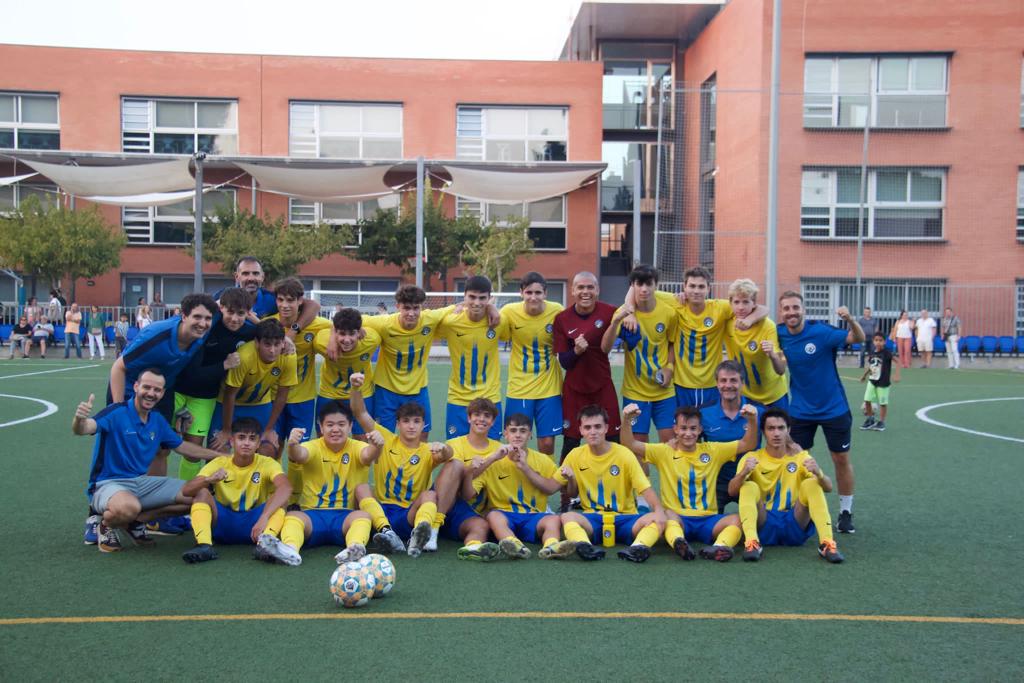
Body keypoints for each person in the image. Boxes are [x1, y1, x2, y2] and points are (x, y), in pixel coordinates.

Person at [73, 368, 223, 553]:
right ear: (136, 387)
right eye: (147, 387)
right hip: (108, 484)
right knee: (129, 507)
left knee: (199, 493)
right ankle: (104, 524)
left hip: (140, 483)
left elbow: (183, 447)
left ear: (163, 393)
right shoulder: (116, 412)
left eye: (157, 390)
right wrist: (80, 419)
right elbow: (84, 428)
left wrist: (222, 456)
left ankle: (137, 522)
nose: (151, 393)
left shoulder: (157, 420)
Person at [621, 402, 759, 561]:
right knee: (667, 515)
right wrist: (626, 420)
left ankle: (719, 547)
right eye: (683, 428)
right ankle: (678, 542)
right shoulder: (663, 451)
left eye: (693, 429)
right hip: (678, 519)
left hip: (708, 519)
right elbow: (629, 444)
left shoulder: (713, 450)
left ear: (700, 430)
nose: (688, 433)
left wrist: (752, 420)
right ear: (675, 430)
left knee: (736, 520)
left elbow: (747, 444)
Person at [348, 375, 467, 558]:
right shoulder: (386, 438)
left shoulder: (427, 450)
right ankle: (387, 532)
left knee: (430, 495)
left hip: (409, 514)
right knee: (362, 488)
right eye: (406, 421)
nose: (411, 426)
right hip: (382, 511)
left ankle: (418, 537)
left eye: (416, 421)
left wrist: (444, 448)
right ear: (397, 424)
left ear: (423, 425)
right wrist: (356, 388)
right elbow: (360, 413)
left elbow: (449, 456)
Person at [776, 291, 864, 534]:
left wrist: (850, 319)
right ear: (781, 312)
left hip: (834, 408)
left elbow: (858, 337)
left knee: (840, 458)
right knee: (795, 458)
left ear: (803, 309)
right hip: (801, 410)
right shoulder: (779, 333)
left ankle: (845, 511)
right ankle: (794, 508)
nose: (791, 312)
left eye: (795, 307)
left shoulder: (822, 332)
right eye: (786, 309)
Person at [261, 403, 384, 567]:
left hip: (344, 517)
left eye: (341, 424)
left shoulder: (357, 446)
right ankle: (290, 550)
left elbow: (368, 455)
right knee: (293, 517)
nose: (335, 429)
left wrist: (377, 446)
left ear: (350, 426)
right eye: (330, 424)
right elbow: (300, 455)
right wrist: (292, 445)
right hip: (313, 516)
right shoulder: (312, 446)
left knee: (362, 517)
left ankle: (354, 548)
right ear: (320, 426)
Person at [728, 408, 844, 564]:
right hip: (764, 523)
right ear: (763, 431)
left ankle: (827, 543)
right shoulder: (752, 457)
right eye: (771, 428)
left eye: (781, 428)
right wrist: (743, 473)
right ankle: (752, 542)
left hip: (794, 522)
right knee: (748, 486)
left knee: (812, 483)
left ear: (788, 430)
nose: (776, 433)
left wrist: (819, 474)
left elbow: (829, 487)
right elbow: (732, 491)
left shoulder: (801, 457)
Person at [554, 405, 667, 562]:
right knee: (567, 517)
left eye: (598, 427)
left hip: (626, 518)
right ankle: (584, 546)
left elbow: (644, 488)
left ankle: (638, 547)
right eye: (588, 427)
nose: (593, 431)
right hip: (593, 519)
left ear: (606, 428)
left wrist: (658, 510)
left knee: (655, 520)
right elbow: (566, 491)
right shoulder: (575, 455)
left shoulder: (624, 454)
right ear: (581, 430)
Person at [180, 417, 293, 564]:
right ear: (232, 441)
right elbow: (186, 490)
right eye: (241, 438)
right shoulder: (219, 463)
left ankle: (265, 546)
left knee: (281, 500)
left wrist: (265, 516)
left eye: (252, 439)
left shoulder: (267, 463)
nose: (246, 443)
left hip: (255, 525)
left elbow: (286, 487)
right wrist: (208, 480)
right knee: (202, 493)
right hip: (223, 523)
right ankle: (204, 545)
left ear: (258, 443)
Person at [466, 413, 576, 560]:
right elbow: (469, 494)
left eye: (523, 431)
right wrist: (469, 470)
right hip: (505, 514)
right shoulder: (493, 461)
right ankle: (513, 544)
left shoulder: (543, 460)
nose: (517, 435)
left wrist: (525, 468)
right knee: (493, 516)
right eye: (513, 430)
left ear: (530, 434)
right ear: (505, 433)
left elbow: (551, 488)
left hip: (534, 516)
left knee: (553, 520)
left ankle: (551, 546)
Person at [655, 266, 767, 408]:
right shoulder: (676, 302)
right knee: (683, 428)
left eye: (701, 286)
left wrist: (749, 320)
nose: (696, 291)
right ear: (684, 287)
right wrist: (630, 311)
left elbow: (763, 309)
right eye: (692, 286)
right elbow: (638, 289)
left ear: (708, 288)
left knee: (710, 428)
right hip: (681, 384)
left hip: (711, 385)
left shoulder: (720, 308)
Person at [173, 287, 255, 479]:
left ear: (248, 314)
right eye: (230, 312)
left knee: (192, 451)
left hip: (205, 397)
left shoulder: (250, 332)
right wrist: (224, 365)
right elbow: (193, 373)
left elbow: (269, 332)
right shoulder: (208, 326)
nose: (235, 318)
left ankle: (186, 493)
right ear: (221, 310)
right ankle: (156, 494)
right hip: (177, 390)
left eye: (241, 314)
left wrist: (286, 340)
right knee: (160, 446)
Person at [360, 284, 454, 437]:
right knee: (381, 438)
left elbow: (459, 308)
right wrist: (341, 333)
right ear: (398, 306)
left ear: (421, 307)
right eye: (406, 308)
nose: (411, 313)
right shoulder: (384, 324)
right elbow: (352, 318)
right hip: (387, 390)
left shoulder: (430, 319)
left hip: (417, 389)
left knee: (422, 435)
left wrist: (490, 308)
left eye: (416, 308)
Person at [108, 293, 217, 422]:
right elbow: (118, 367)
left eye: (208, 318)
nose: (202, 323)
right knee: (124, 436)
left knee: (160, 438)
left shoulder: (203, 331)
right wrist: (119, 410)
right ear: (184, 316)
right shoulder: (156, 335)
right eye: (197, 317)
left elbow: (229, 303)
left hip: (161, 392)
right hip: (132, 391)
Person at [601, 264, 676, 444]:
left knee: (670, 441)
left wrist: (669, 368)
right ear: (632, 286)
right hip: (635, 392)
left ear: (655, 285)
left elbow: (672, 344)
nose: (644, 289)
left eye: (648, 284)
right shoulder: (622, 313)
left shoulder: (669, 313)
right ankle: (643, 474)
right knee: (638, 442)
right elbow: (605, 348)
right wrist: (616, 321)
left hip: (664, 392)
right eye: (639, 284)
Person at [553, 272, 621, 466]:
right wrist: (576, 351)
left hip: (603, 386)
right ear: (573, 290)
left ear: (597, 290)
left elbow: (632, 332)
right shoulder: (562, 319)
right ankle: (568, 494)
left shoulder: (610, 312)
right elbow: (565, 362)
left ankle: (617, 488)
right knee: (571, 442)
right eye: (581, 287)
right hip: (575, 389)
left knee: (614, 438)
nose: (585, 292)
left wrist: (630, 318)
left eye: (590, 287)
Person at [499, 272, 565, 456]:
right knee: (516, 441)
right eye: (529, 292)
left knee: (546, 442)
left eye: (538, 292)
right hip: (519, 388)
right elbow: (496, 330)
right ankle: (517, 481)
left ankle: (543, 481)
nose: (533, 297)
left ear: (545, 293)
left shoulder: (557, 310)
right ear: (521, 293)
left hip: (549, 387)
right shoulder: (509, 312)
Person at [210, 319, 297, 458]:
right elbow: (230, 394)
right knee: (218, 450)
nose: (272, 350)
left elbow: (281, 396)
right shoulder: (244, 357)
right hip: (229, 404)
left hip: (259, 405)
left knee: (268, 450)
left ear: (283, 343)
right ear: (257, 343)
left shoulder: (288, 357)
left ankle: (256, 479)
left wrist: (268, 429)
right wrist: (227, 430)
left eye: (277, 344)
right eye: (267, 344)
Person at [436, 275, 504, 440]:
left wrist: (493, 309)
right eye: (472, 297)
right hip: (458, 399)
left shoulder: (500, 321)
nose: (477, 302)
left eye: (482, 298)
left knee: (491, 455)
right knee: (456, 454)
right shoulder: (450, 322)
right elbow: (423, 323)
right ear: (464, 296)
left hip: (490, 398)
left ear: (490, 298)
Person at [268, 278, 332, 450]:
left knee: (300, 452)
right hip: (272, 398)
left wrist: (335, 339)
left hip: (303, 400)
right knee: (270, 448)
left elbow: (338, 327)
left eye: (290, 300)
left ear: (300, 301)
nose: (285, 305)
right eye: (280, 300)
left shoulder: (317, 325)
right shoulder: (269, 324)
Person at [443, 397, 508, 560]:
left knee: (481, 526)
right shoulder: (454, 444)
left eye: (487, 416)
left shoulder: (498, 448)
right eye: (477, 414)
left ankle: (472, 548)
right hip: (447, 504)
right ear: (469, 418)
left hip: (470, 512)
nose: (481, 419)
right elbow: (456, 481)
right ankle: (432, 529)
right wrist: (490, 459)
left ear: (493, 422)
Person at [698, 360, 764, 512]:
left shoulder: (759, 411)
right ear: (717, 384)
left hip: (751, 479)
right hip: (715, 481)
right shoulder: (703, 413)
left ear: (742, 383)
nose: (728, 385)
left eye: (733, 380)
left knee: (761, 528)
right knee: (708, 530)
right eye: (723, 380)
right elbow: (691, 447)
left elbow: (778, 438)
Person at [313, 307, 381, 437]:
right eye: (342, 334)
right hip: (330, 393)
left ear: (359, 332)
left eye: (352, 333)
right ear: (335, 332)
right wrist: (332, 336)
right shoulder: (322, 342)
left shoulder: (372, 340)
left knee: (362, 440)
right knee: (324, 438)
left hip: (362, 393)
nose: (347, 339)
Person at [722, 278, 788, 410]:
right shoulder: (726, 323)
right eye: (737, 302)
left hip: (774, 394)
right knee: (750, 431)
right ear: (730, 303)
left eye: (746, 302)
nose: (741, 307)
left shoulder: (767, 325)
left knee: (779, 430)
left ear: (754, 303)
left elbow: (781, 369)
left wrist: (773, 355)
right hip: (746, 395)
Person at [215, 256, 321, 330]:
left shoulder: (271, 299)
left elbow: (313, 305)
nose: (251, 278)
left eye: (256, 273)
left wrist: (294, 330)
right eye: (245, 274)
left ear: (262, 276)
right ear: (237, 276)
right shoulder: (222, 296)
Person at [860, 331, 899, 431]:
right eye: (876, 340)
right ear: (873, 341)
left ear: (884, 342)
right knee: (867, 400)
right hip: (872, 380)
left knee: (882, 403)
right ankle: (870, 419)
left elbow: (898, 362)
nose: (878, 342)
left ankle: (881, 422)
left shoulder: (886, 353)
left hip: (883, 382)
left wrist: (896, 374)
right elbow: (871, 365)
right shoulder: (872, 353)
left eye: (880, 340)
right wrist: (864, 375)